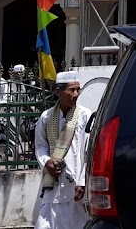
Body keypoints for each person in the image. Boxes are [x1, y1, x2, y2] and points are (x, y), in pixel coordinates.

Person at [33, 71, 91, 229]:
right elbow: (40, 146)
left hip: (76, 187)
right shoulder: (46, 117)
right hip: (54, 184)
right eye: (71, 90)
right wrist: (47, 162)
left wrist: (82, 181)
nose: (76, 94)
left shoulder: (85, 116)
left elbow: (88, 151)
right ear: (58, 91)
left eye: (78, 89)